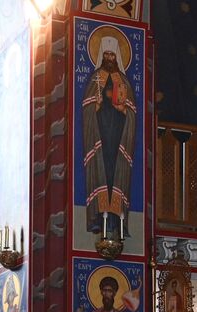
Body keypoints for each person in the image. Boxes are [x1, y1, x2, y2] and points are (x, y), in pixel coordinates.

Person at [80, 35, 136, 236]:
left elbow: (132, 112)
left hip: (118, 135)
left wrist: (123, 110)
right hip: (100, 133)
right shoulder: (95, 78)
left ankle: (115, 221)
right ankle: (98, 216)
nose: (110, 58)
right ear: (102, 55)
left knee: (115, 174)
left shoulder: (124, 81)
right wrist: (94, 106)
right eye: (107, 54)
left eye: (113, 54)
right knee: (101, 171)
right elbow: (86, 108)